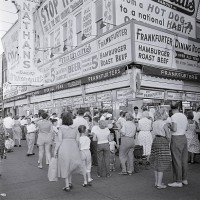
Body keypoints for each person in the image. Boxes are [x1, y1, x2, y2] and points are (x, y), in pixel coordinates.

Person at [54, 112, 86, 191]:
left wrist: (55, 151)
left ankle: (67, 185)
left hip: (64, 147)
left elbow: (59, 141)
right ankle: (70, 182)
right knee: (71, 165)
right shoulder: (75, 127)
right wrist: (79, 149)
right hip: (74, 147)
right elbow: (78, 140)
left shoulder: (61, 128)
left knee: (65, 165)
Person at [168, 102, 188, 188]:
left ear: (171, 109)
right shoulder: (183, 115)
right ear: (178, 107)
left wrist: (169, 126)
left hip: (176, 138)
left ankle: (178, 181)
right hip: (184, 138)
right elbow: (186, 128)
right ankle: (184, 179)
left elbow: (174, 129)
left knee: (176, 160)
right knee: (184, 160)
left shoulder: (173, 116)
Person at [150, 108, 171, 189]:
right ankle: (159, 184)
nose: (166, 115)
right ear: (162, 115)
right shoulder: (164, 124)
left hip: (155, 141)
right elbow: (168, 136)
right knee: (162, 162)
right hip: (163, 141)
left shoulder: (154, 123)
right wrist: (169, 141)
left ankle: (156, 182)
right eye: (165, 113)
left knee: (156, 161)